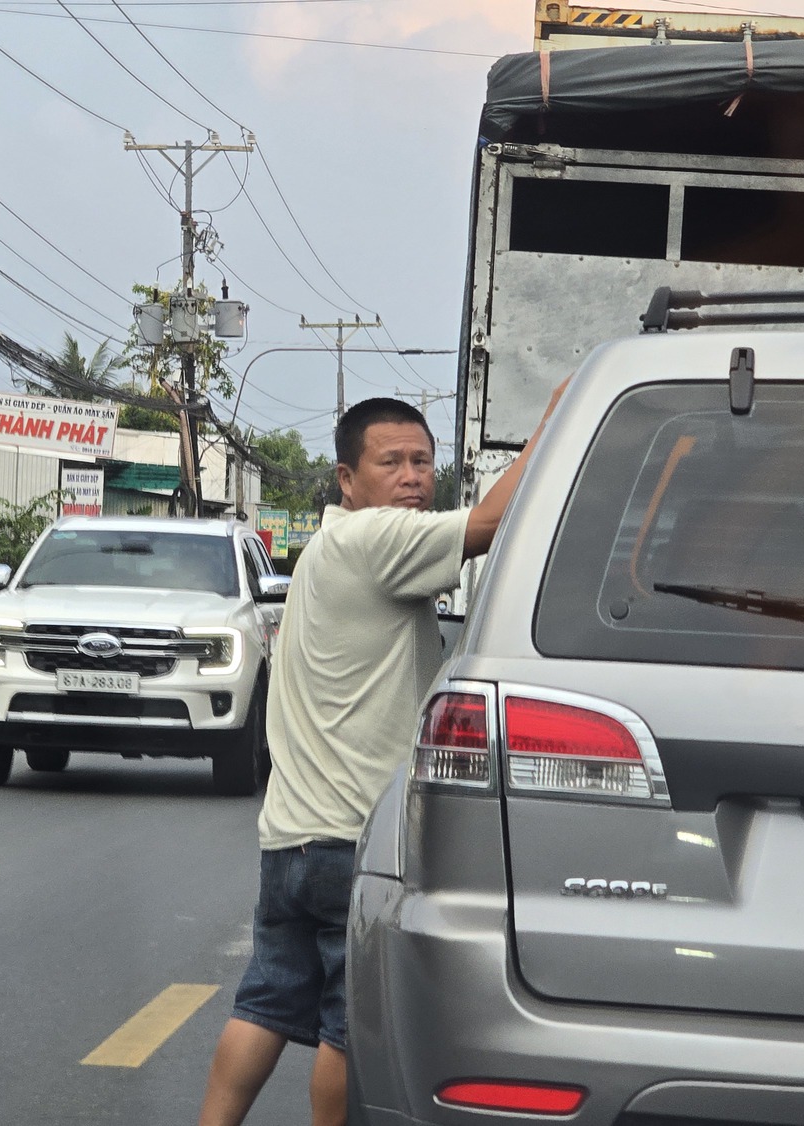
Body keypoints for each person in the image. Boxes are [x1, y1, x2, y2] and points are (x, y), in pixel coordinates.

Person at [197, 384, 568, 1126]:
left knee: (266, 1001)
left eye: (423, 462)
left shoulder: (325, 550)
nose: (412, 478)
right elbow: (493, 522)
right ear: (346, 481)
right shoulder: (375, 540)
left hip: (290, 839)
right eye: (391, 463)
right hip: (354, 841)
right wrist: (561, 411)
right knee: (347, 1025)